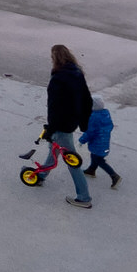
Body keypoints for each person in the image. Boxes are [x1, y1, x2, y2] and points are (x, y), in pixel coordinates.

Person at [44, 44, 94, 208]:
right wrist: (84, 123)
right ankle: (41, 175)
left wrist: (50, 128)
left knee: (71, 161)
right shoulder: (77, 73)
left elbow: (54, 107)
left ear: (55, 59)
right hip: (71, 121)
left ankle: (84, 197)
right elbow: (87, 100)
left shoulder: (58, 78)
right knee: (54, 149)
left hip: (61, 124)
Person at [80, 97, 121, 189]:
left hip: (97, 143)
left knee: (99, 160)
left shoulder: (93, 117)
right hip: (104, 141)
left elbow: (90, 132)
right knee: (95, 156)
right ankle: (91, 170)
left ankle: (114, 176)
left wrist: (82, 140)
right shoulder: (105, 113)